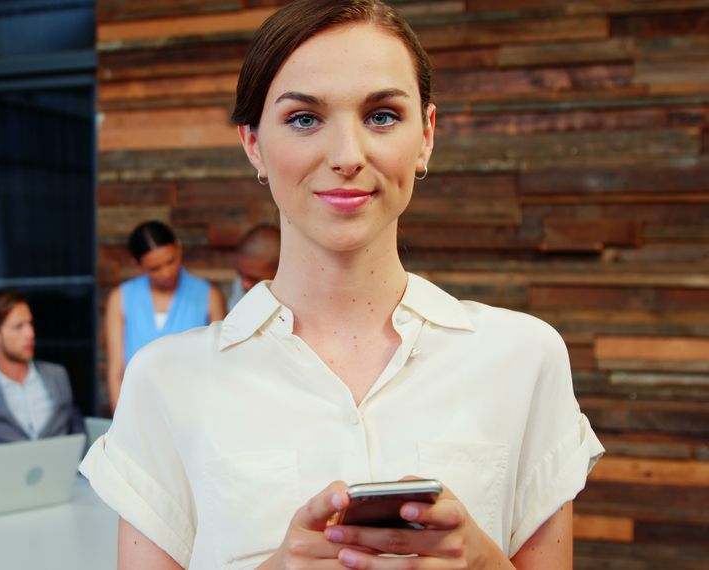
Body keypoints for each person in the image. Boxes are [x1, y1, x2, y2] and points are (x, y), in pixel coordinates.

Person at [80, 1, 604, 568]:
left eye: (381, 116)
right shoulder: (165, 380)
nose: (347, 156)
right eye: (304, 118)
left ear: (426, 134)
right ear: (253, 142)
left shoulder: (524, 357)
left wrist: (483, 564)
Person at [105, 220, 226, 412]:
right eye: (155, 268)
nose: (167, 273)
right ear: (138, 265)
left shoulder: (209, 296)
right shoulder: (120, 298)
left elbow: (220, 366)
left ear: (178, 248)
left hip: (194, 410)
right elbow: (116, 372)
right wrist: (120, 424)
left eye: (171, 261)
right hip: (138, 411)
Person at [0, 289, 84, 444]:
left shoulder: (58, 376)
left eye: (30, 324)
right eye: (18, 327)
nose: (30, 333)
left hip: (61, 467)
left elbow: (78, 432)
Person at [227, 223, 281, 309]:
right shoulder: (244, 280)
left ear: (279, 272)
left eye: (254, 279)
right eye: (240, 274)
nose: (244, 284)